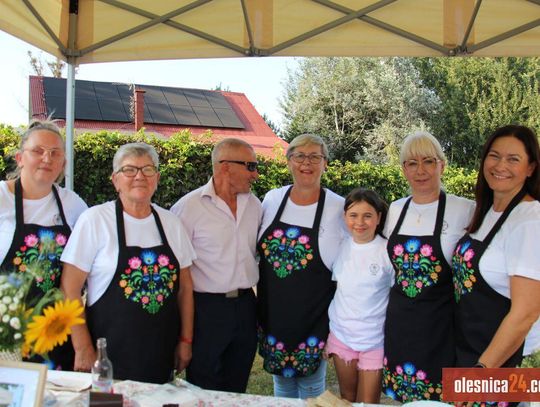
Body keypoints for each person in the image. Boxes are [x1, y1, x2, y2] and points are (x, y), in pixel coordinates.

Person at [61, 142, 195, 384]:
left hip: (160, 353)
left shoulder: (171, 223)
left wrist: (185, 340)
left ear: (157, 178)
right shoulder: (95, 220)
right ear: (115, 179)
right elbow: (69, 289)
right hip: (108, 355)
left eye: (148, 170)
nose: (139, 177)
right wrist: (82, 347)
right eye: (129, 170)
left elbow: (185, 288)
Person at [382, 131, 474, 403]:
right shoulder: (396, 210)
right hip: (400, 324)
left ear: (442, 165)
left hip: (442, 326)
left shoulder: (465, 210)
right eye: (412, 163)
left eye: (428, 162)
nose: (420, 171)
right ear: (403, 170)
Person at [257, 134, 346, 399]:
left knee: (311, 391)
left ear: (325, 163)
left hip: (314, 318)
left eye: (314, 157)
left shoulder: (339, 206)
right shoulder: (272, 199)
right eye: (299, 156)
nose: (306, 163)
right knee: (282, 388)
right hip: (274, 315)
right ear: (289, 161)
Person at [171, 138, 261, 393]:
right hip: (205, 311)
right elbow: (177, 271)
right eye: (250, 166)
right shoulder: (188, 208)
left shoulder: (255, 206)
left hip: (245, 307)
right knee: (204, 385)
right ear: (224, 167)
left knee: (237, 385)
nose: (255, 174)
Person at [0, 120, 87, 369]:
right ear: (20, 158)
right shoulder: (2, 198)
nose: (47, 158)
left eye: (55, 153)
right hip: (8, 334)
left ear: (63, 163)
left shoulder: (73, 204)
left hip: (56, 331)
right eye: (38, 151)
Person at [453, 125, 540, 372]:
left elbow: (526, 313)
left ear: (531, 168)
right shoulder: (485, 211)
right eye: (494, 155)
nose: (500, 166)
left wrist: (482, 370)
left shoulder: (530, 220)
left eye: (513, 159)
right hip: (471, 351)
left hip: (505, 363)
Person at [326, 188, 393, 403]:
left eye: (367, 216)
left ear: (378, 218)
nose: (360, 222)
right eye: (353, 215)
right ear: (345, 216)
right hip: (341, 335)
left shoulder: (387, 250)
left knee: (368, 403)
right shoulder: (339, 246)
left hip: (374, 340)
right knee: (347, 397)